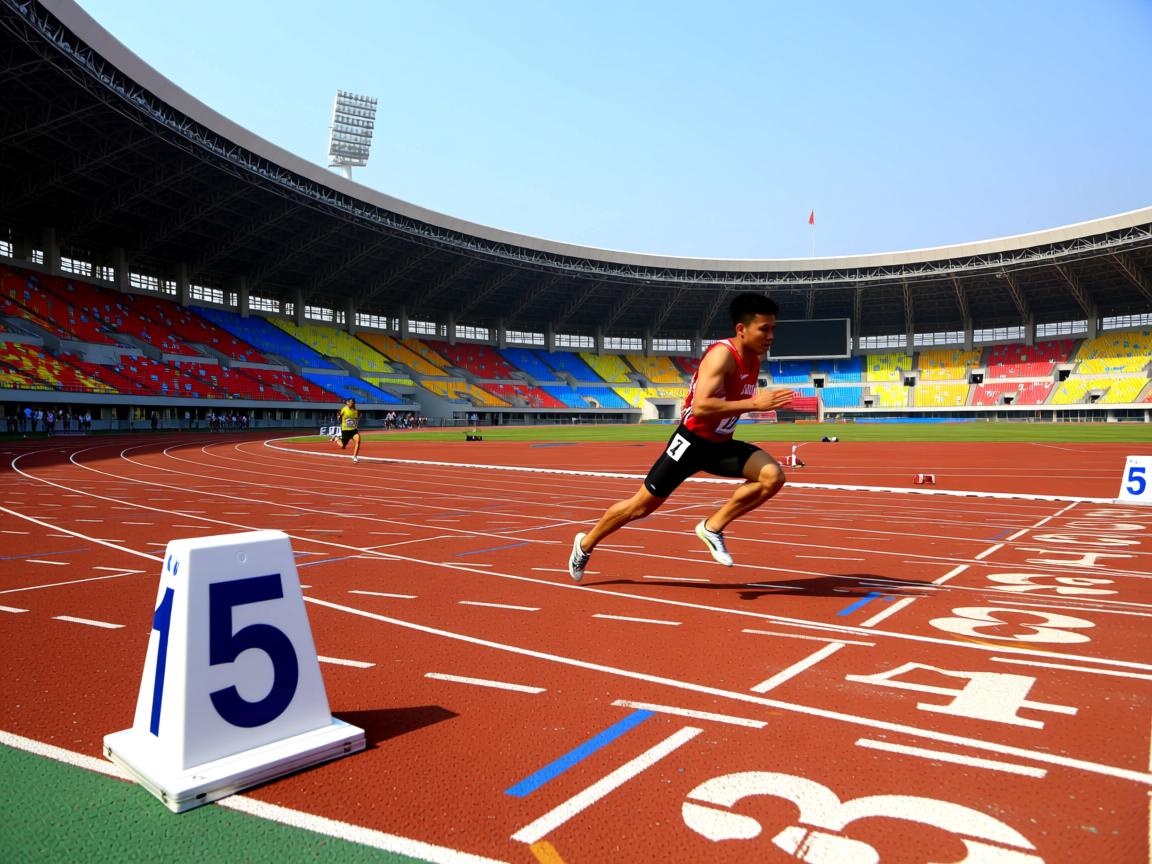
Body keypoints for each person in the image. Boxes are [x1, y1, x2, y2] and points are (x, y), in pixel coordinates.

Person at [568, 293, 795, 581]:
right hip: (690, 442)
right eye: (764, 329)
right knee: (640, 507)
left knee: (772, 476)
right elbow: (700, 407)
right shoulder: (722, 355)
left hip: (720, 446)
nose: (771, 336)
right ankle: (585, 544)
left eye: (773, 328)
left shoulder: (754, 359)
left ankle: (712, 527)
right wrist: (754, 404)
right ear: (741, 329)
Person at [336, 397, 362, 462]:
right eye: (351, 403)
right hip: (345, 430)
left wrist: (358, 417)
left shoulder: (355, 410)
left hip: (353, 430)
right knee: (343, 446)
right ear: (347, 402)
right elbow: (339, 414)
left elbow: (357, 417)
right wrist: (339, 417)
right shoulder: (344, 409)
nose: (352, 404)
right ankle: (336, 439)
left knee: (358, 441)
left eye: (353, 403)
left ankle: (355, 457)